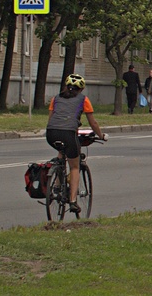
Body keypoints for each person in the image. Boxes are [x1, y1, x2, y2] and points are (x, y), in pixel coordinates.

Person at [45, 73, 106, 214]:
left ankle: (56, 186)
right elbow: (93, 122)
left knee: (61, 151)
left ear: (66, 86)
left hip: (51, 133)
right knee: (74, 166)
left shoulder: (56, 98)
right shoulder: (83, 100)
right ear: (82, 89)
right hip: (68, 133)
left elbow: (50, 119)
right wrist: (100, 136)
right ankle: (72, 201)